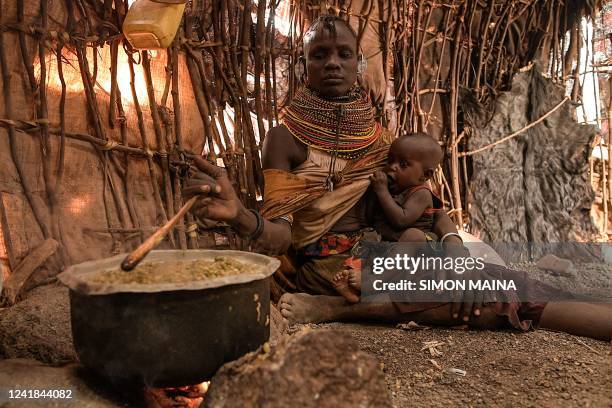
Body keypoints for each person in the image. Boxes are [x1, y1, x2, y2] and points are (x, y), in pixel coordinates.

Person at [183, 15, 612, 341]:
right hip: (333, 267)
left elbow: (433, 207)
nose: (332, 63)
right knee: (501, 298)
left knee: (486, 283)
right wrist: (241, 216)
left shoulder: (378, 138)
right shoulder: (285, 139)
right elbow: (280, 238)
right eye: (319, 54)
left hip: (392, 254)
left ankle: (380, 299)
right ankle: (334, 306)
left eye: (343, 54)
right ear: (304, 65)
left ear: (358, 63)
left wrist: (455, 250)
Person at [332, 132, 445, 303]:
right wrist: (374, 193)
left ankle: (372, 282)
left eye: (403, 164)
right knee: (366, 242)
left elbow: (401, 220)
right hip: (389, 248)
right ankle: (352, 289)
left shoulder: (421, 193)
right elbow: (370, 218)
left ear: (425, 175)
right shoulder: (391, 190)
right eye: (390, 160)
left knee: (412, 235)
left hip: (418, 250)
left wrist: (382, 191)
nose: (392, 167)